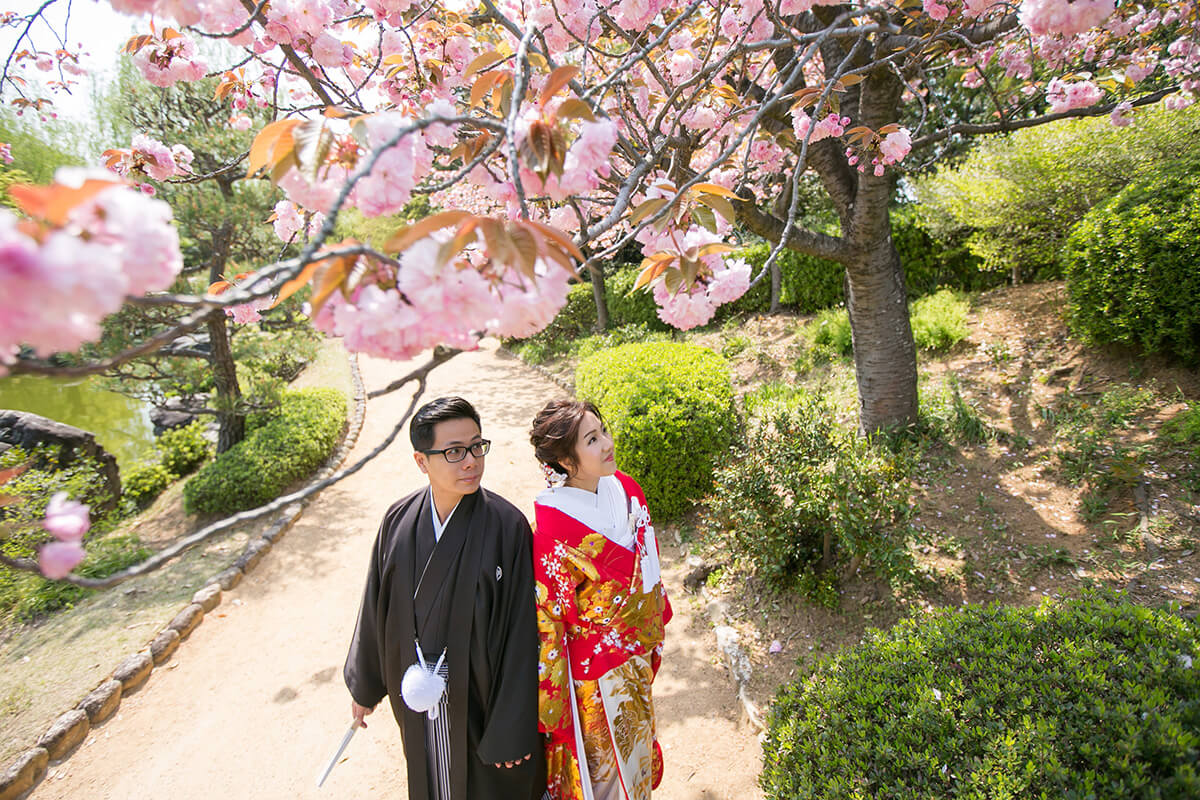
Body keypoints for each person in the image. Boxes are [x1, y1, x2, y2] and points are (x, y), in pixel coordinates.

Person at [344, 396, 546, 800]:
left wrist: (511, 726)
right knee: (432, 781)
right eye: (454, 452)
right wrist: (364, 687)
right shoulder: (398, 521)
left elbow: (523, 632)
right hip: (419, 697)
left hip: (483, 703)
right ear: (422, 461)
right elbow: (375, 606)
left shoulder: (508, 526)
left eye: (476, 446)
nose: (471, 461)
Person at [529, 399, 673, 800]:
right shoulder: (552, 526)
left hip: (638, 650)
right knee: (607, 778)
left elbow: (649, 565)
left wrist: (649, 623)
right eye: (592, 440)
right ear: (564, 461)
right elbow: (550, 618)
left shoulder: (626, 487)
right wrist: (552, 702)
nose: (607, 443)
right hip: (594, 674)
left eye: (603, 431)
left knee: (638, 759)